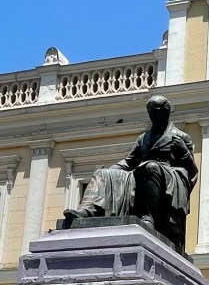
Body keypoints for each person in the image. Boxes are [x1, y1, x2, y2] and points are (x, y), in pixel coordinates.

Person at [63, 95, 198, 253]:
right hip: (141, 174)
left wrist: (183, 152)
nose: (154, 116)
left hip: (169, 177)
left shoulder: (181, 137)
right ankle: (87, 209)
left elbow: (191, 172)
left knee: (151, 167)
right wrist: (109, 170)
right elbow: (129, 162)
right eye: (151, 113)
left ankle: (149, 217)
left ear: (166, 113)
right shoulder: (144, 138)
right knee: (102, 173)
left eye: (157, 112)